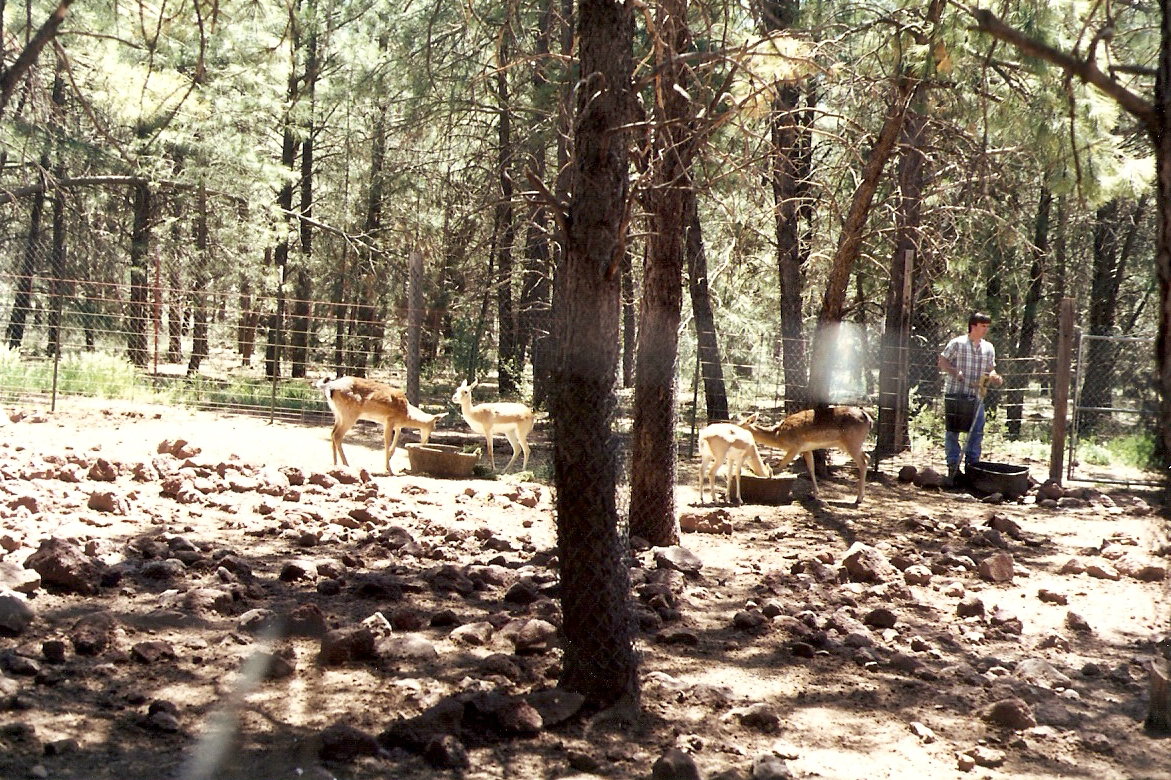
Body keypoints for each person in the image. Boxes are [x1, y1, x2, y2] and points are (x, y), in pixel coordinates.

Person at [937, 312, 1003, 480]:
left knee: (977, 430)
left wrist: (994, 376)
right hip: (956, 393)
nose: (985, 330)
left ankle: (972, 466)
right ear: (973, 326)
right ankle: (953, 465)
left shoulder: (988, 348)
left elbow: (990, 368)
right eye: (983, 326)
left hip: (976, 395)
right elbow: (942, 362)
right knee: (953, 430)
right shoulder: (957, 344)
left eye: (987, 327)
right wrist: (955, 372)